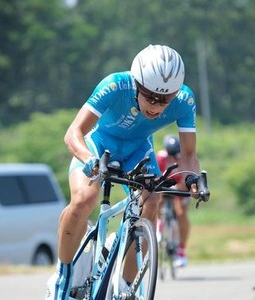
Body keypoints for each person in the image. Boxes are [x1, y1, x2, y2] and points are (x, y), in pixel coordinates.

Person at [46, 44, 202, 300]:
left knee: (151, 201)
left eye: (165, 100)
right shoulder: (116, 85)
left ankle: (126, 286)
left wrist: (193, 179)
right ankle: (64, 275)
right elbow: (73, 133)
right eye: (150, 97)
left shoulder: (184, 100)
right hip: (99, 146)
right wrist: (90, 161)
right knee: (85, 198)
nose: (157, 106)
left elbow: (188, 156)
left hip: (138, 150)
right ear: (137, 84)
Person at [156, 135, 191, 267]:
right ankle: (160, 222)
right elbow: (155, 177)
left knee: (181, 213)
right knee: (157, 199)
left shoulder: (182, 158)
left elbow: (185, 178)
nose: (174, 159)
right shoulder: (160, 157)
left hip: (179, 186)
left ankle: (181, 250)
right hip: (164, 185)